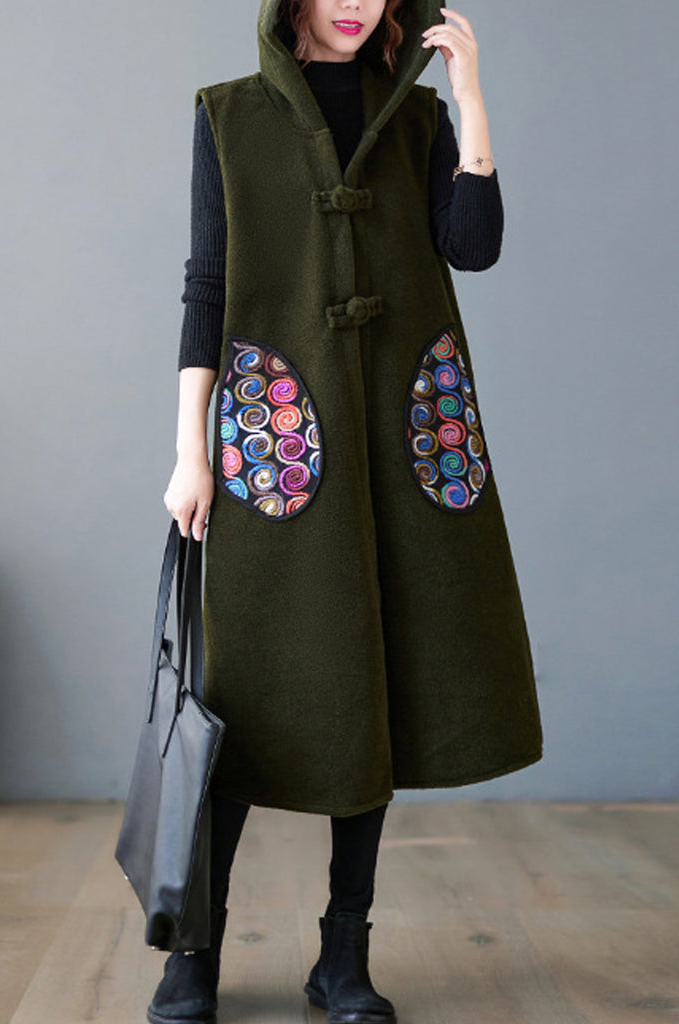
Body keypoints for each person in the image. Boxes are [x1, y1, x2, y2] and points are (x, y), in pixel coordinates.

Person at [156, 1, 543, 1022]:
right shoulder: (227, 114)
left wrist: (468, 95)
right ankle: (192, 951)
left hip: (401, 443)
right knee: (243, 700)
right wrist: (190, 453)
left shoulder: (415, 120)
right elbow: (207, 287)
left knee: (377, 691)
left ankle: (343, 956)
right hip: (276, 438)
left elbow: (473, 247)